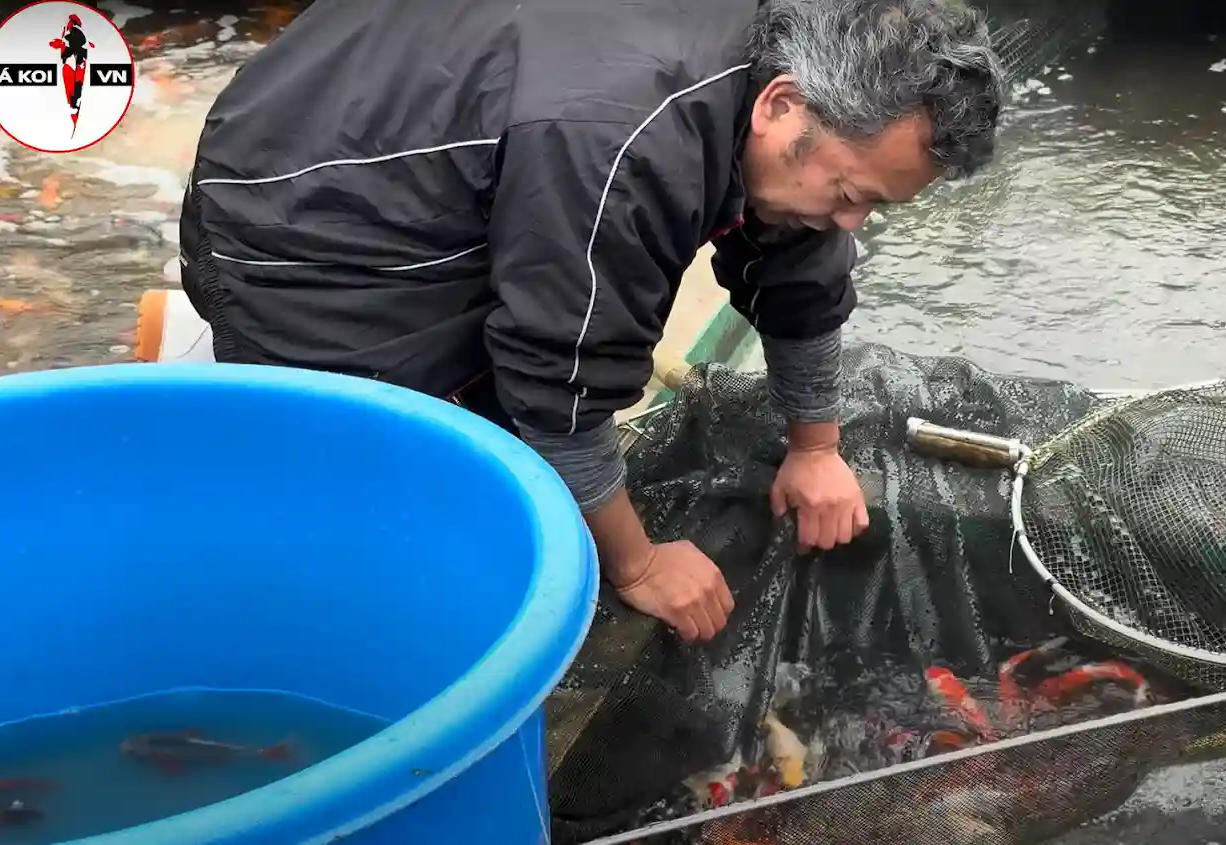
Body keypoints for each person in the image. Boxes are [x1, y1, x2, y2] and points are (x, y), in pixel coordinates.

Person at [177, 0, 1006, 644]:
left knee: (525, 443)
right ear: (779, 106)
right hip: (294, 209)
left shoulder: (800, 60)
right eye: (855, 195)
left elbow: (801, 257)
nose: (854, 222)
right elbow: (557, 380)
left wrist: (815, 445)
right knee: (372, 516)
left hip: (484, 126)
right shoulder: (631, 138)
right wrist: (640, 564)